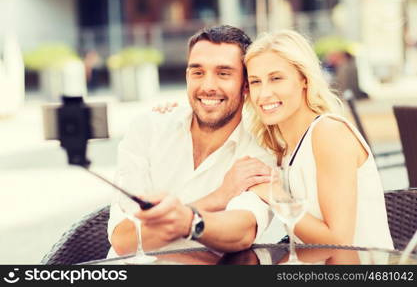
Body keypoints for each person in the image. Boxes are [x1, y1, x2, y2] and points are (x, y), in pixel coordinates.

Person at [107, 25, 276, 258]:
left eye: (223, 73)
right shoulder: (147, 129)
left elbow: (242, 232)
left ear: (246, 84)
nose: (207, 86)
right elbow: (124, 240)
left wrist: (167, 222)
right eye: (197, 72)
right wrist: (218, 197)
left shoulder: (260, 149)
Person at [244, 30, 393, 249]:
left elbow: (339, 243)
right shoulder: (285, 146)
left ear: (304, 80)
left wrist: (273, 194)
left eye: (276, 78)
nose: (264, 93)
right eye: (255, 82)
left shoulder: (328, 133)